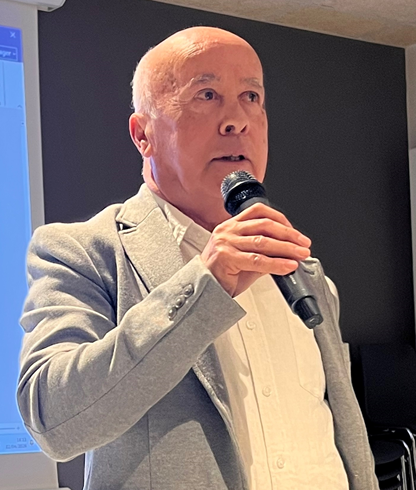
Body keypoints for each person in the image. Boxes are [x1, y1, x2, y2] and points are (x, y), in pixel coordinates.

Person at [17, 26, 378, 490]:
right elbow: (54, 423)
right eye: (207, 95)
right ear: (143, 135)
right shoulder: (81, 252)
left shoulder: (306, 274)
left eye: (251, 97)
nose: (237, 120)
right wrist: (205, 286)